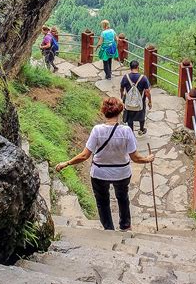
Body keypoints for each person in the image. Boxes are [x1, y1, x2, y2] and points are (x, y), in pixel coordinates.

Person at [55, 97, 154, 231]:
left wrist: (66, 163)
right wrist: (147, 159)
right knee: (123, 198)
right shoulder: (126, 131)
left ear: (103, 112)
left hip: (99, 173)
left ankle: (108, 228)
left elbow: (85, 155)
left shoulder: (97, 130)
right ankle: (125, 226)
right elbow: (135, 157)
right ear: (120, 112)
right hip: (121, 173)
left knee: (102, 202)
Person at [120, 60, 152, 136]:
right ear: (138, 67)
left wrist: (122, 95)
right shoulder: (143, 78)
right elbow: (147, 91)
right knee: (141, 114)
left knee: (129, 116)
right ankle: (141, 129)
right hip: (140, 100)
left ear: (130, 68)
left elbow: (121, 88)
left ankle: (131, 131)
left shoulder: (126, 77)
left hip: (128, 100)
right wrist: (150, 101)